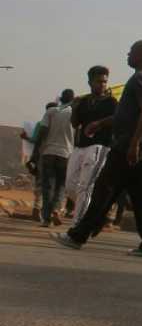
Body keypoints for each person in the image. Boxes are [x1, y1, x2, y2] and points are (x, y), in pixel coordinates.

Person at [53, 40, 142, 257]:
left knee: (104, 189)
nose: (128, 53)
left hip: (128, 148)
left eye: (132, 51)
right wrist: (100, 123)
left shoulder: (141, 78)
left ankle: (77, 236)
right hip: (139, 149)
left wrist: (133, 143)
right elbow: (128, 114)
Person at [67, 66, 118, 224]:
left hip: (99, 146)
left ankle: (77, 225)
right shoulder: (83, 101)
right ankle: (94, 207)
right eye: (98, 81)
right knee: (70, 185)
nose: (102, 85)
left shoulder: (112, 102)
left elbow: (117, 121)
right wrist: (74, 108)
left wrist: (100, 124)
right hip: (81, 145)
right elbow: (75, 124)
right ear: (90, 82)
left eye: (104, 82)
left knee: (85, 186)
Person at [35, 89, 75, 227]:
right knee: (61, 185)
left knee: (48, 186)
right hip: (66, 154)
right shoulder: (75, 114)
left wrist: (36, 152)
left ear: (61, 99)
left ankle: (46, 219)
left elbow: (42, 132)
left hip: (49, 153)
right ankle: (56, 210)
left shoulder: (51, 111)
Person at [22, 101, 58, 220]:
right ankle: (51, 211)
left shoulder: (41, 124)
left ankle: (37, 210)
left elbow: (36, 140)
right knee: (54, 185)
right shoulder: (63, 125)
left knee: (40, 183)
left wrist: (25, 137)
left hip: (43, 156)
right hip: (59, 157)